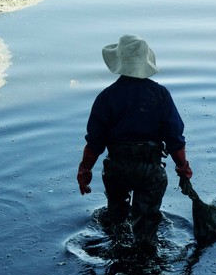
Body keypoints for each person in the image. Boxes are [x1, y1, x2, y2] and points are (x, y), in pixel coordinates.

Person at [77, 34, 192, 251]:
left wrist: (84, 170)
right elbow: (175, 140)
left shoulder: (106, 97)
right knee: (147, 229)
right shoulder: (160, 95)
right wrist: (183, 168)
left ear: (119, 62)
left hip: (116, 169)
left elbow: (94, 143)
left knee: (117, 223)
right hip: (150, 170)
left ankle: (118, 255)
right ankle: (146, 257)